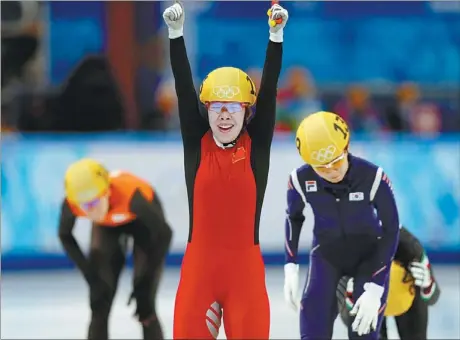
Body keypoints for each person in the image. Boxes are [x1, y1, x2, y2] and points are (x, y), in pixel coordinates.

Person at [162, 1, 288, 339]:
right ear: (207, 112)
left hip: (244, 273)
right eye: (216, 107)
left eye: (232, 107)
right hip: (198, 271)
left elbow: (271, 89)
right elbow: (182, 87)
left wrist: (275, 37)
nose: (224, 116)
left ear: (247, 112)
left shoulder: (256, 148)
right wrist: (176, 34)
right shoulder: (196, 143)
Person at [283, 111, 400, 339]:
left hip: (369, 256)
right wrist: (291, 266)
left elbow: (391, 228)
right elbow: (293, 217)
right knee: (313, 326)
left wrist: (376, 285)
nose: (332, 171)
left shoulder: (373, 177)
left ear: (346, 147)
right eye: (321, 167)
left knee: (362, 330)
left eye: (336, 161)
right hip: (327, 256)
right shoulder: (299, 180)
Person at [58, 159, 172, 340]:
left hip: (143, 225)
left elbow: (164, 234)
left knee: (145, 304)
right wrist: (90, 276)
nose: (90, 212)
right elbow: (65, 235)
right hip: (108, 227)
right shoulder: (73, 204)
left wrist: (145, 282)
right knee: (99, 300)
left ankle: (146, 309)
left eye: (94, 203)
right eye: (84, 206)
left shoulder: (133, 197)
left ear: (107, 192)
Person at [337, 226, 441, 340]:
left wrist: (427, 285)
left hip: (406, 294)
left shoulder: (410, 247)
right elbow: (348, 319)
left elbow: (434, 297)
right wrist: (351, 299)